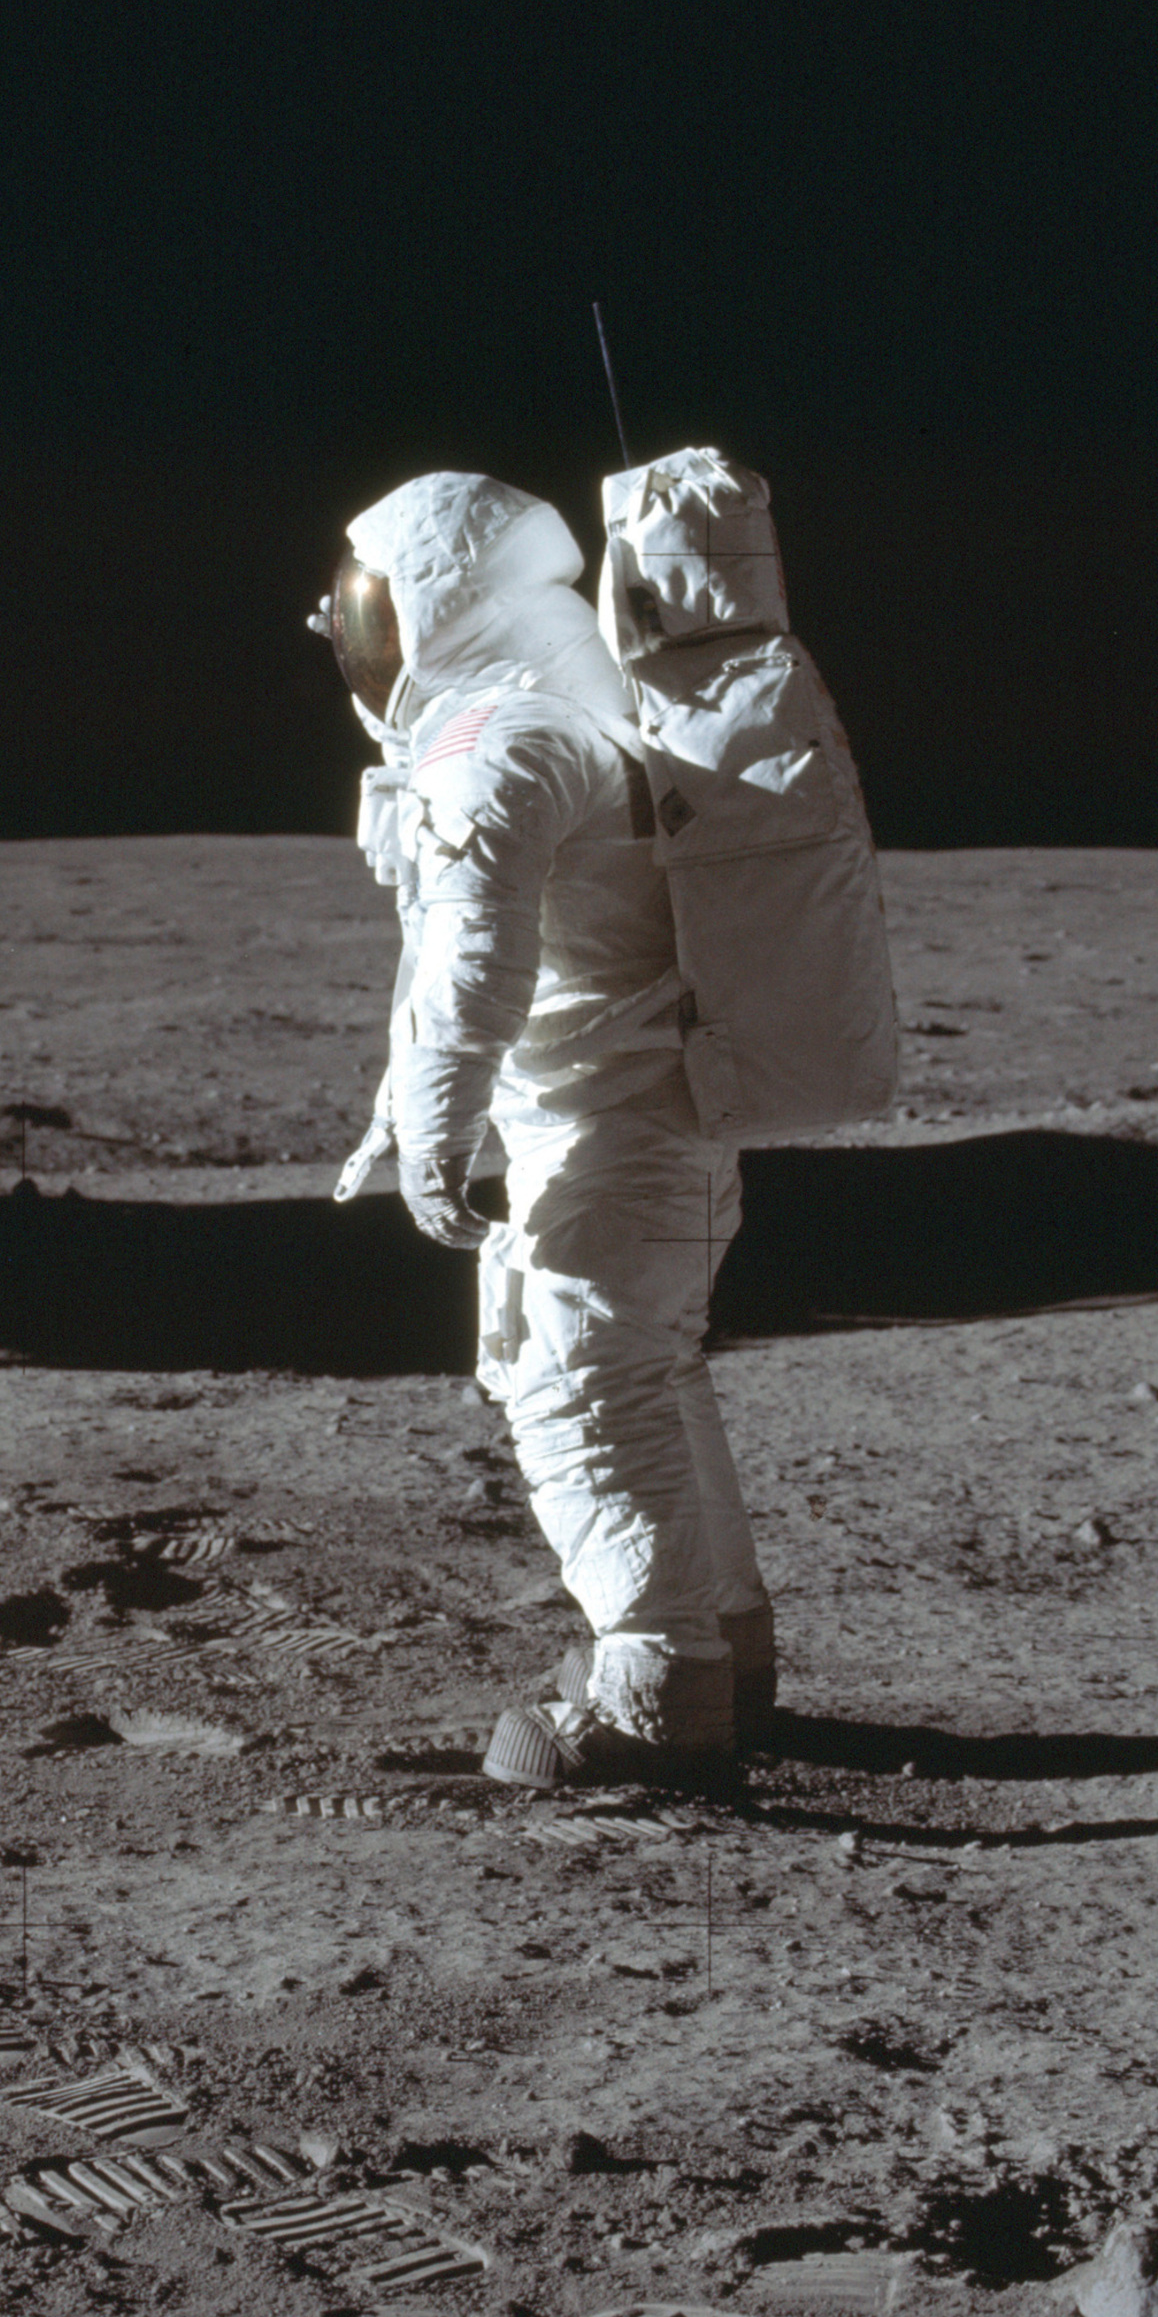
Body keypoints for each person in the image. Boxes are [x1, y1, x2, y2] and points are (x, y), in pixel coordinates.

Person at [316, 471, 774, 1785]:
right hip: (650, 1125)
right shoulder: (581, 710)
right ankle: (726, 1650)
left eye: (371, 609)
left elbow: (473, 957)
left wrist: (432, 1124)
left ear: (435, 609)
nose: (355, 637)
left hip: (604, 1131)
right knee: (647, 1375)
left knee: (580, 1395)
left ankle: (656, 1694)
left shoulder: (502, 740)